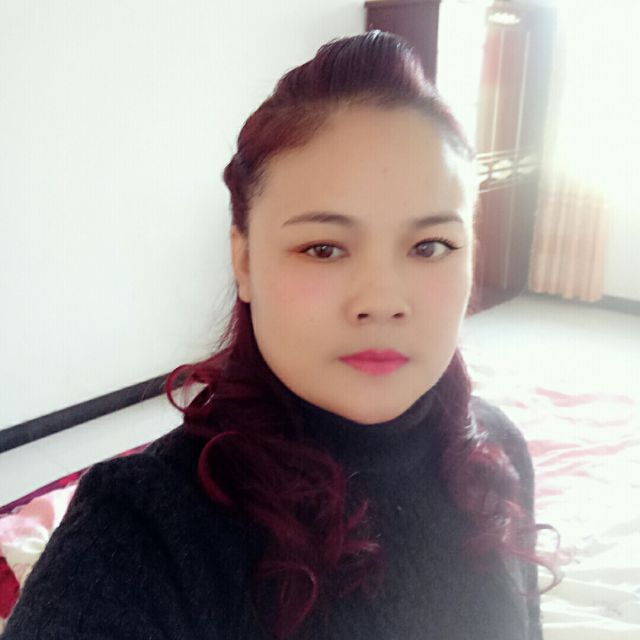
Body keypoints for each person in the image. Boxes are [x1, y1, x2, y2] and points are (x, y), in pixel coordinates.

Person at [3, 31, 552, 640]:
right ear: (243, 260)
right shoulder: (139, 532)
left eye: (430, 246)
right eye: (323, 248)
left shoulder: (496, 453)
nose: (381, 302)